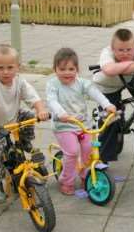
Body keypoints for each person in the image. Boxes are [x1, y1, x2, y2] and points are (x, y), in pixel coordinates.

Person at [0, 44, 49, 204]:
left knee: (29, 115)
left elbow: (33, 96)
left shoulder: (19, 81)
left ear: (18, 67)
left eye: (10, 67)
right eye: (0, 68)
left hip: (14, 119)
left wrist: (40, 110)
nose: (6, 72)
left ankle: (25, 142)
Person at [47, 48, 116, 195]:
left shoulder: (82, 83)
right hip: (63, 125)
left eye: (71, 69)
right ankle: (66, 181)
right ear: (55, 69)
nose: (67, 72)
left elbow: (95, 93)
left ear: (77, 69)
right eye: (62, 69)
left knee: (89, 150)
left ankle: (86, 176)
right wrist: (61, 113)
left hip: (82, 125)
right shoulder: (53, 85)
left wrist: (107, 104)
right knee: (72, 152)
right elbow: (51, 101)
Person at [93, 28, 134, 163]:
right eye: (120, 50)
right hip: (108, 86)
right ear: (113, 49)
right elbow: (109, 70)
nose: (125, 53)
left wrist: (122, 67)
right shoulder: (106, 52)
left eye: (129, 50)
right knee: (111, 119)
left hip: (129, 78)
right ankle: (104, 158)